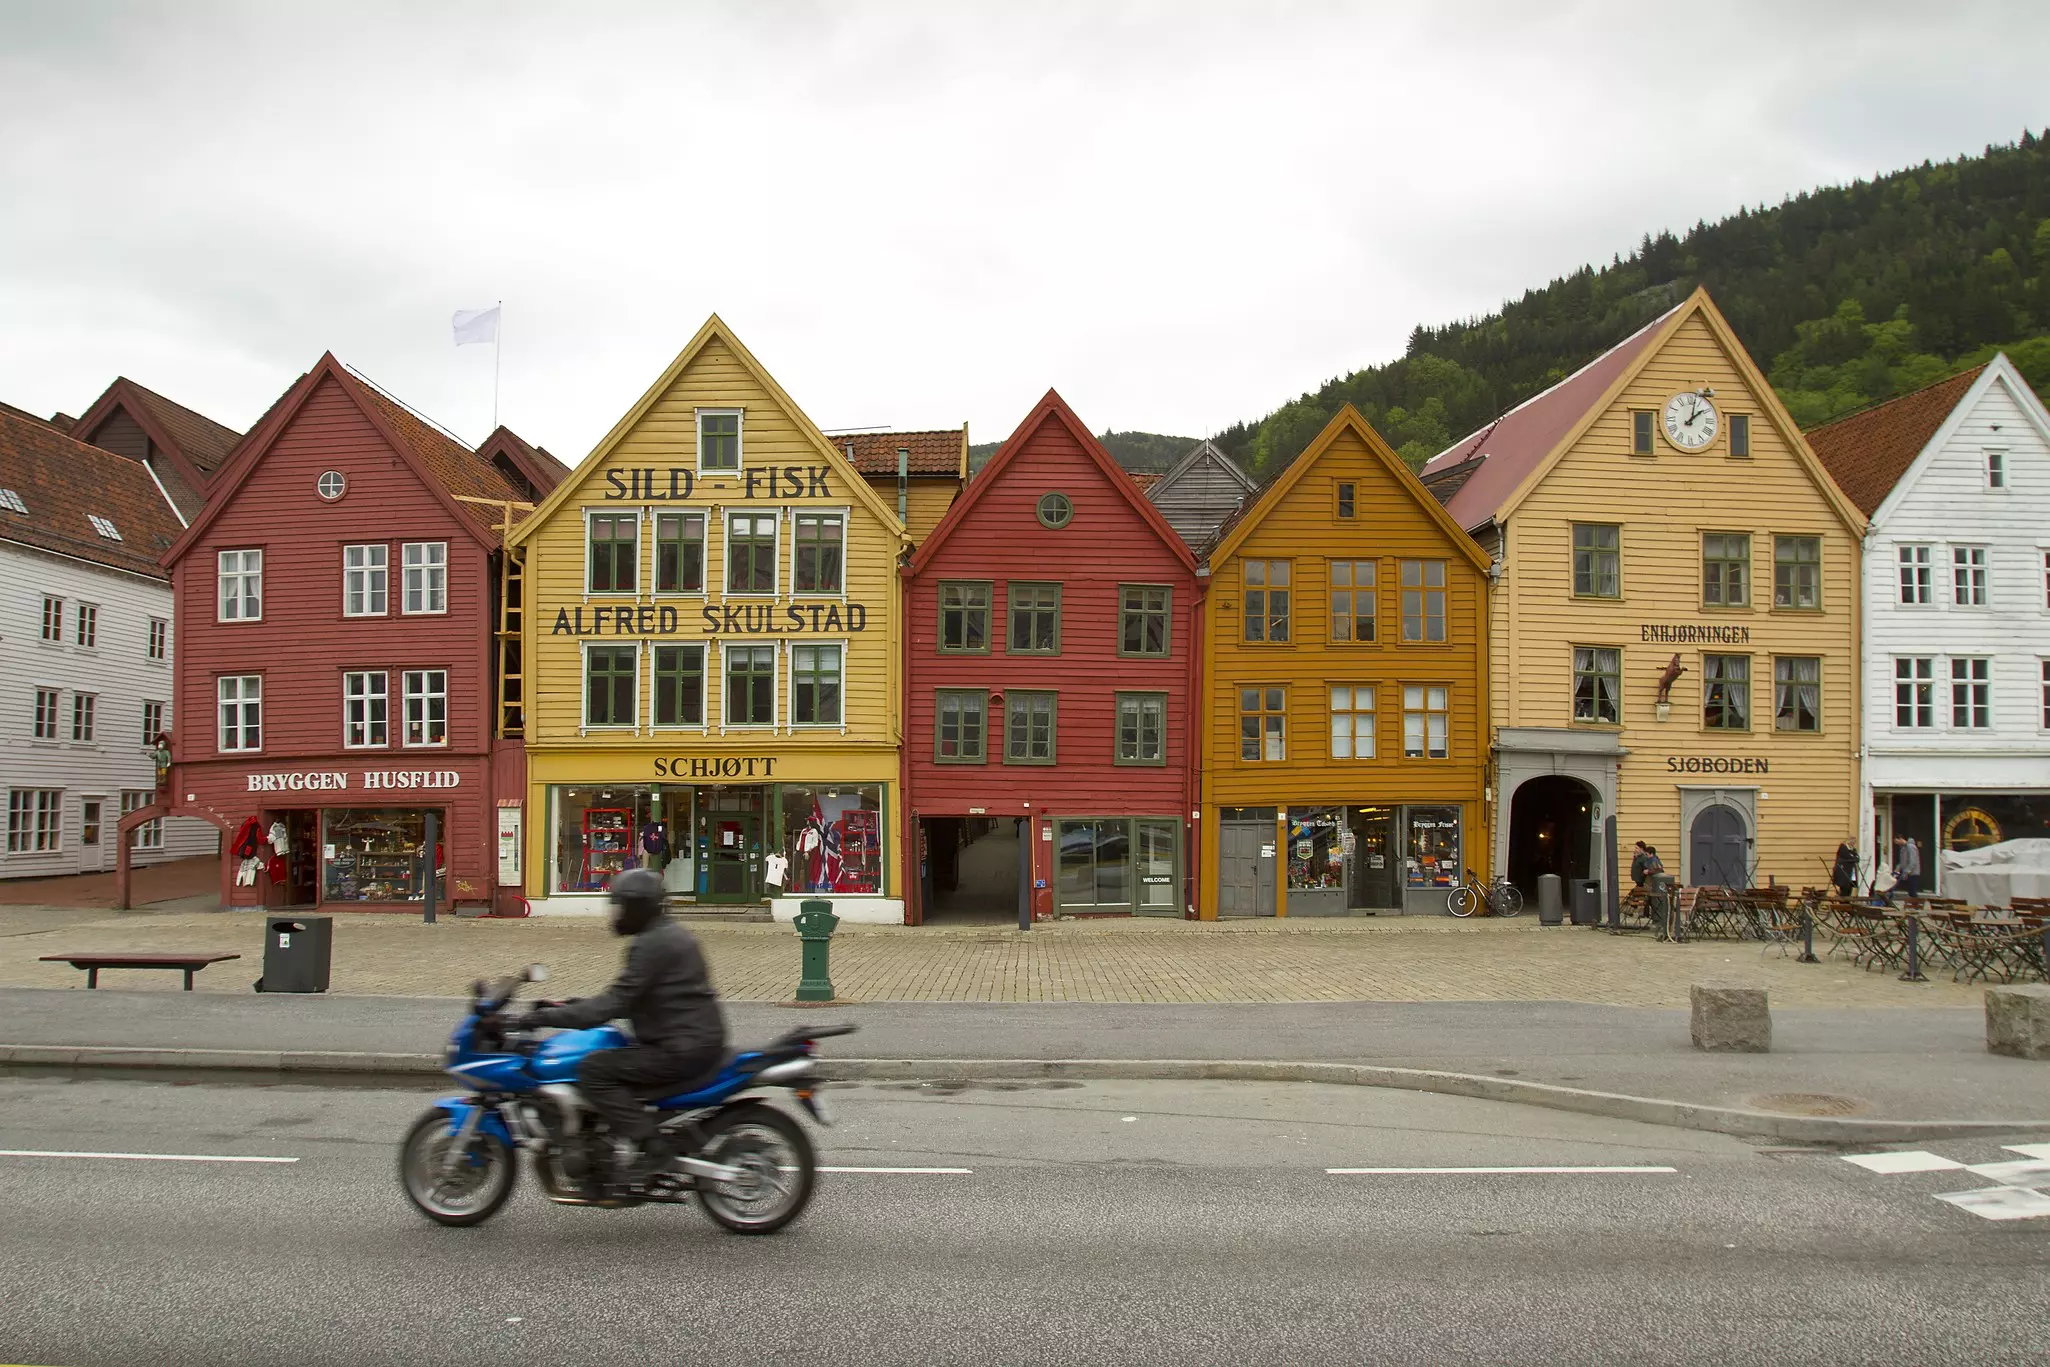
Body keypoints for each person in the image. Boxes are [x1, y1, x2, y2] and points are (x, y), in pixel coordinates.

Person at [517, 868, 726, 1189]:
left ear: (638, 907)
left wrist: (542, 1019)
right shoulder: (666, 935)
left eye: (621, 906)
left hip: (680, 1048)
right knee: (610, 1054)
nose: (615, 913)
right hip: (689, 1039)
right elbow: (624, 998)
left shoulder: (653, 945)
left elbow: (613, 1005)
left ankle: (651, 1148)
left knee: (594, 1070)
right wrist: (566, 1006)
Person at [1892, 834, 1922, 900]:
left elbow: (1913, 861)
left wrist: (1906, 872)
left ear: (1901, 839)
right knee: (1908, 890)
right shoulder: (1903, 848)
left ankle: (1916, 904)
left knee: (1912, 891)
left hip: (1912, 873)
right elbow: (1902, 861)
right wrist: (1897, 869)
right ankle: (1913, 904)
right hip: (1905, 872)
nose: (1897, 844)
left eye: (1897, 841)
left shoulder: (1911, 847)